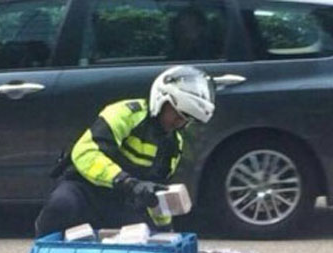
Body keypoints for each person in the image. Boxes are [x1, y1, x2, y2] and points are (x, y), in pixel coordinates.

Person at [34, 65, 216, 238]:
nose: (179, 124)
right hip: (84, 189)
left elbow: (158, 191)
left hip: (122, 202)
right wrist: (126, 182)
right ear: (162, 100)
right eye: (177, 115)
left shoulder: (173, 144)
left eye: (186, 120)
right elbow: (85, 152)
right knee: (61, 206)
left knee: (145, 239)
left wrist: (165, 231)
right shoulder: (125, 113)